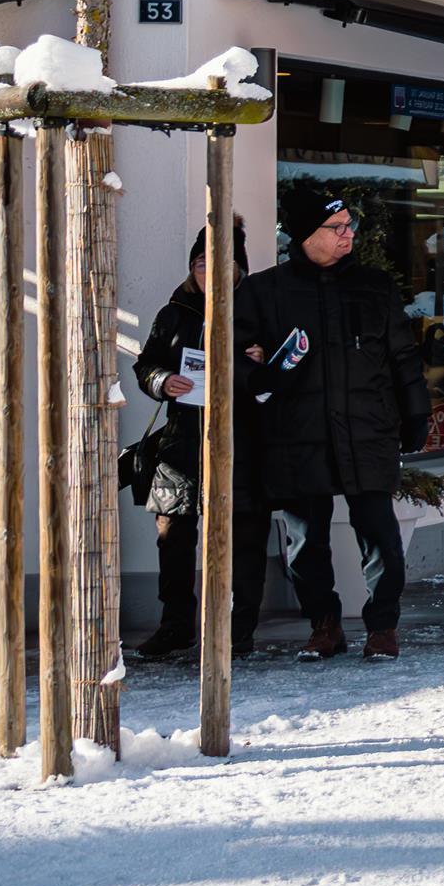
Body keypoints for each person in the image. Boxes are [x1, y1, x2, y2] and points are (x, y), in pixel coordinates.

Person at [238, 191, 429, 661]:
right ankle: (324, 624)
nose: (348, 235)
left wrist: (416, 413)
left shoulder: (375, 286)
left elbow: (403, 357)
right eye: (337, 227)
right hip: (295, 435)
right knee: (305, 543)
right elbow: (232, 357)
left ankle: (383, 626)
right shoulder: (264, 291)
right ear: (307, 235)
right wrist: (260, 373)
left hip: (366, 431)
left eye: (350, 226)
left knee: (380, 533)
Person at [128, 223, 251, 661]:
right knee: (173, 537)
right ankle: (175, 626)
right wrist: (163, 381)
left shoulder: (255, 307)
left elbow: (280, 366)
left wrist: (252, 360)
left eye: (221, 264)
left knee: (239, 536)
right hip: (182, 442)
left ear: (239, 269)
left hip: (242, 439)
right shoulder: (174, 311)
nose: (210, 272)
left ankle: (237, 629)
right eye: (202, 264)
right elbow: (146, 365)